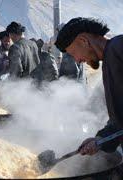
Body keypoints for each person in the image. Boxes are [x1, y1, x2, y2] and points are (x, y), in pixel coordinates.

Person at [54, 17, 123, 156]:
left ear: (83, 41)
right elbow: (119, 120)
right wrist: (100, 139)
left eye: (73, 53)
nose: (78, 60)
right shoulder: (109, 59)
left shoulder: (119, 46)